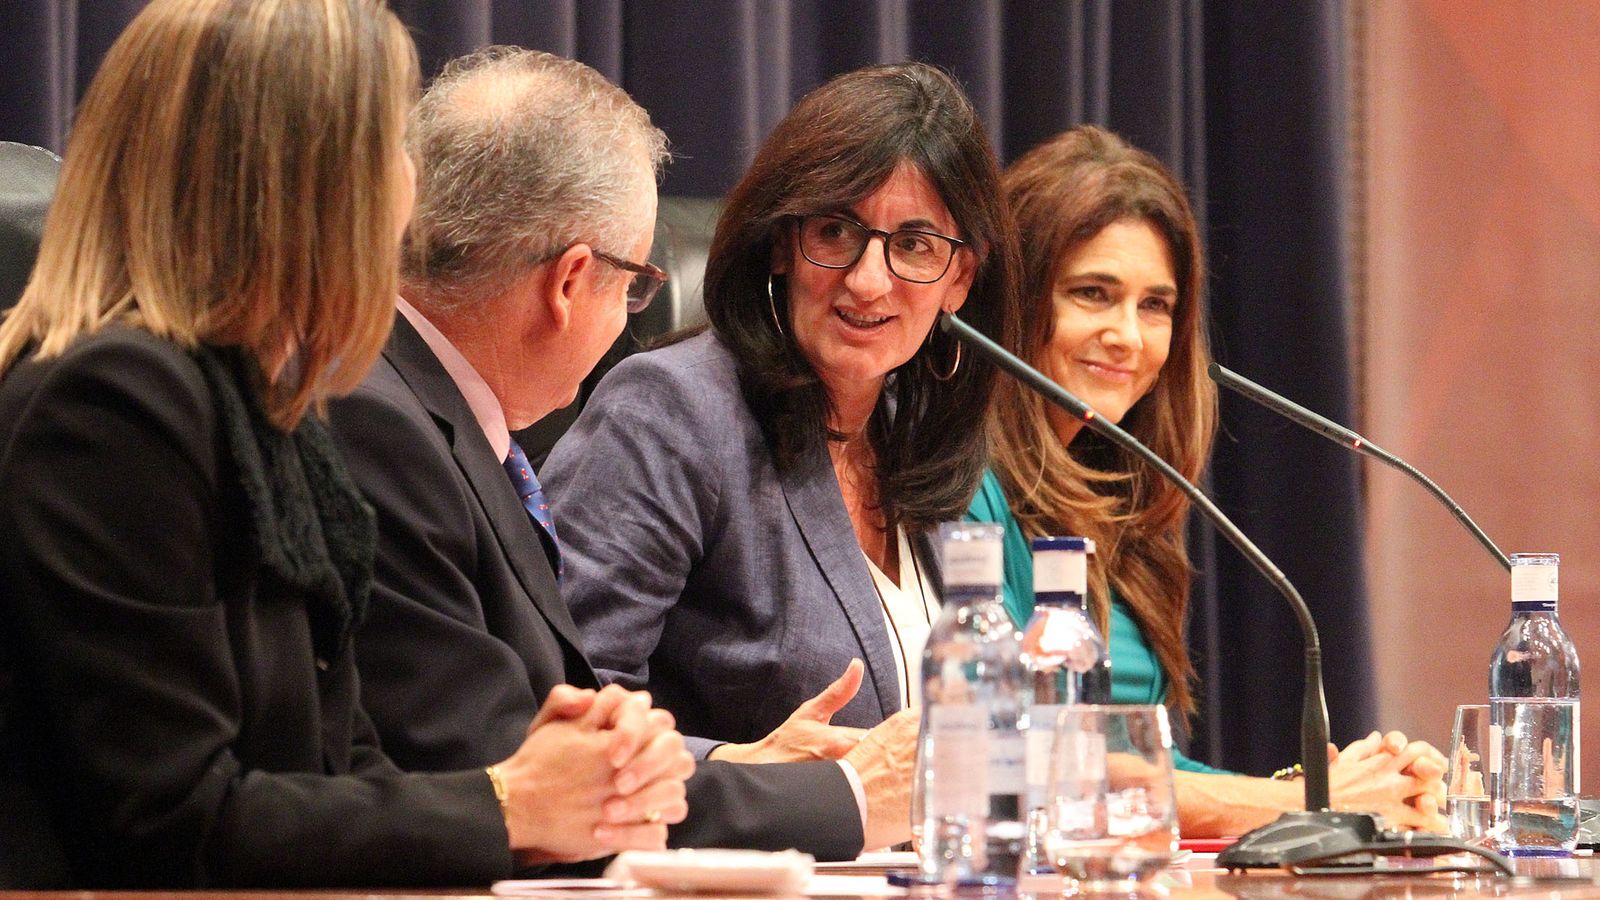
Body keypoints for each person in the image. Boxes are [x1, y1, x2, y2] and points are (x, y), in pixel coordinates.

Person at [0, 2, 690, 889]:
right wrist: (511, 805)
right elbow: (169, 822)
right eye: (392, 146)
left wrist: (548, 778)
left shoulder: (257, 406)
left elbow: (339, 769)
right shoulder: (115, 404)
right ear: (300, 185)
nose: (413, 190)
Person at [326, 46, 914, 857]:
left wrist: (734, 767)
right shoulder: (383, 429)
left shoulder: (428, 414)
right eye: (636, 282)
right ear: (571, 282)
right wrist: (847, 796)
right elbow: (519, 783)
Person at [965, 124, 1446, 836]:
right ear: (1015, 298)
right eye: (1093, 293)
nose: (1128, 336)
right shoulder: (964, 486)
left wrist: (1348, 790)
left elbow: (1149, 769)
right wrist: (1310, 804)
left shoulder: (1116, 504)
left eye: (1155, 306)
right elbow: (1015, 756)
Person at [543, 63, 1019, 774]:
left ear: (960, 279)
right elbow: (565, 711)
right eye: (835, 231)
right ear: (780, 244)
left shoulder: (920, 440)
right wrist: (747, 767)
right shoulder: (669, 413)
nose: (868, 280)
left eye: (914, 245)